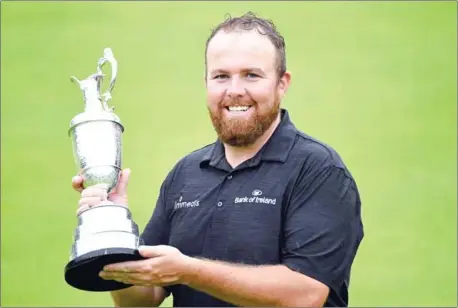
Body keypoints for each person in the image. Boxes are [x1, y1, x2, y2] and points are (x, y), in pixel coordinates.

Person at [72, 12, 364, 307]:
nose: (235, 90)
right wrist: (114, 234)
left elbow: (305, 295)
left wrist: (189, 271)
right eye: (221, 76)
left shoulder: (319, 170)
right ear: (207, 82)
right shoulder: (186, 174)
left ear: (282, 84)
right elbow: (141, 300)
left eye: (252, 75)